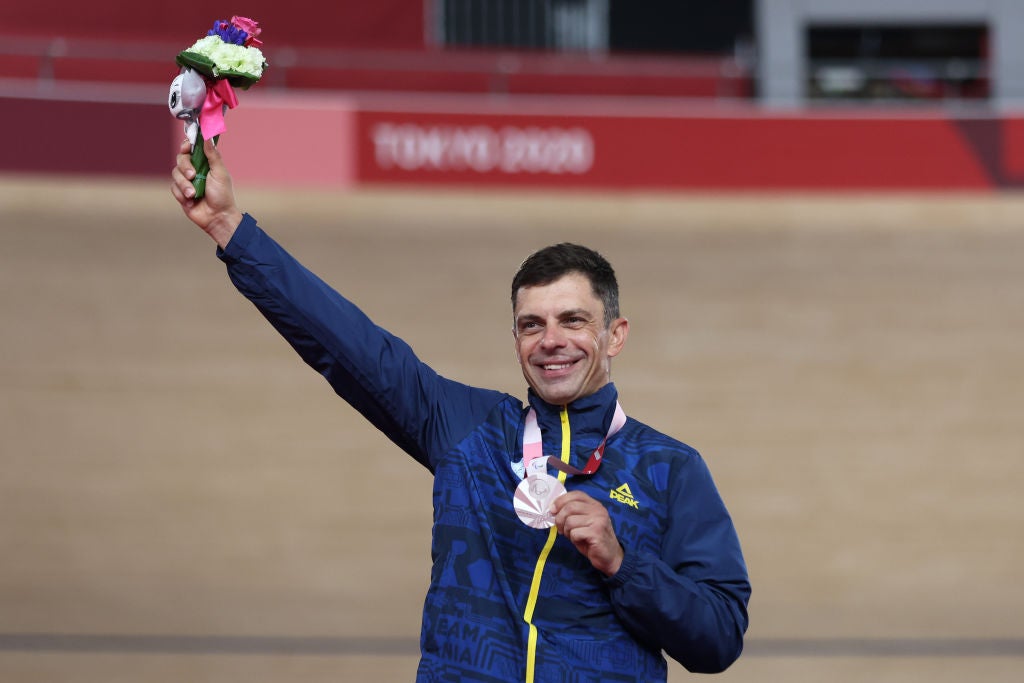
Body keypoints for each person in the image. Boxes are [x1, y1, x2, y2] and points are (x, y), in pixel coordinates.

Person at [171, 138, 750, 681]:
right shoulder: (467, 428)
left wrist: (624, 563)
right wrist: (228, 226)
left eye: (573, 320)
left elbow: (719, 638)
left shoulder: (672, 469)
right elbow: (347, 345)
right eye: (532, 325)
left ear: (615, 335)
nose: (551, 341)